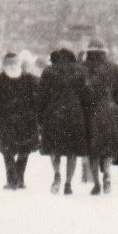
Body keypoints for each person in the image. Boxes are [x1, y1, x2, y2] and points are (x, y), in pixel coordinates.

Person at [0, 52, 39, 190]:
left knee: (8, 150)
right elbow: (38, 100)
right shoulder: (30, 79)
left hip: (6, 121)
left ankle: (12, 178)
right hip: (26, 120)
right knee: (24, 149)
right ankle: (18, 177)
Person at [37, 42, 87, 195]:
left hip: (54, 114)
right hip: (74, 114)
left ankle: (57, 173)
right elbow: (85, 95)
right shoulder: (79, 71)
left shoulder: (48, 71)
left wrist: (40, 117)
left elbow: (41, 96)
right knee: (72, 152)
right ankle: (68, 183)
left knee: (54, 148)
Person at [81, 38, 118, 195]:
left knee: (92, 149)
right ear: (104, 52)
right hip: (109, 110)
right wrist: (113, 103)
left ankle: (96, 183)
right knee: (108, 147)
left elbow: (79, 92)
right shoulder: (113, 68)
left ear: (89, 52)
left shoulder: (83, 68)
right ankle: (107, 172)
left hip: (89, 113)